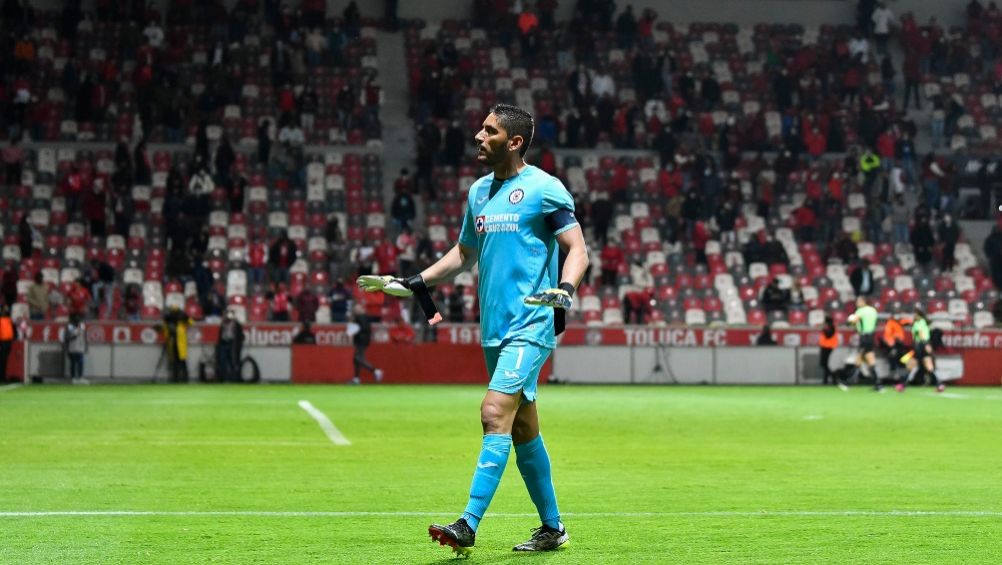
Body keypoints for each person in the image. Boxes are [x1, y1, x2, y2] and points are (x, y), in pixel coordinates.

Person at [359, 104, 588, 555]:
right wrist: (414, 281)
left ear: (515, 142)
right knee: (523, 428)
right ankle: (553, 527)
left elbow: (577, 248)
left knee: (493, 412)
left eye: (490, 131)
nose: (479, 137)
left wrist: (565, 289)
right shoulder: (479, 192)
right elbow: (465, 253)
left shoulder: (545, 188)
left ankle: (468, 523)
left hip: (531, 324)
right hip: (494, 330)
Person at [897, 309, 943, 393]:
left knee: (911, 365)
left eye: (915, 314)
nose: (914, 316)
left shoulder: (919, 323)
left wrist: (925, 344)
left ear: (919, 315)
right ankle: (939, 384)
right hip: (923, 345)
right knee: (928, 367)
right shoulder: (923, 322)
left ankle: (903, 385)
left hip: (920, 346)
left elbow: (921, 334)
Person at [846, 296, 883, 391]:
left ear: (863, 301)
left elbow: (853, 321)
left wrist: (849, 321)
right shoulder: (873, 310)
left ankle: (849, 382)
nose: (856, 303)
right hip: (871, 337)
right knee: (870, 359)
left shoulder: (860, 311)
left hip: (864, 337)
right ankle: (878, 383)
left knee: (859, 358)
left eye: (858, 301)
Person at [348, 303, 382, 384]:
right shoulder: (365, 317)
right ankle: (356, 379)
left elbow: (356, 329)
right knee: (356, 360)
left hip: (361, 341)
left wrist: (353, 333)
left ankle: (375, 371)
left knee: (358, 359)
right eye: (355, 309)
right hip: (364, 341)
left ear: (361, 309)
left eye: (357, 309)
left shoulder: (359, 317)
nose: (356, 311)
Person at [162, 307, 191, 383]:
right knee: (174, 362)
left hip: (181, 344)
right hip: (172, 342)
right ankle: (175, 379)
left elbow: (191, 323)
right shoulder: (169, 321)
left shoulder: (182, 322)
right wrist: (166, 321)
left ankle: (185, 378)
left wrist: (186, 317)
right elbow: (166, 332)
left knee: (182, 361)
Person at [216, 309, 244, 382]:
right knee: (222, 362)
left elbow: (241, 336)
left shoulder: (236, 324)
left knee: (233, 362)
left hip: (232, 344)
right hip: (223, 343)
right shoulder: (223, 324)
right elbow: (220, 335)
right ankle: (222, 378)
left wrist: (238, 344)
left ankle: (234, 378)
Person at [882, 313, 908, 383]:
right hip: (894, 345)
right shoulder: (890, 323)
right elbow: (887, 336)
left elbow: (908, 321)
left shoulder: (900, 322)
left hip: (900, 345)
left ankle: (903, 378)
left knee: (902, 361)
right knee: (893, 362)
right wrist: (892, 346)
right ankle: (894, 379)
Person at [63, 313, 88, 384]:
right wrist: (73, 335)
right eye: (76, 319)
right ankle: (73, 378)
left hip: (80, 348)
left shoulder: (82, 326)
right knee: (73, 363)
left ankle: (80, 377)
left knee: (81, 363)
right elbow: (66, 337)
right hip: (72, 348)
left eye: (79, 319)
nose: (77, 320)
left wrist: (86, 346)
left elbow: (85, 336)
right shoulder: (70, 326)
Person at [818, 315, 839, 385]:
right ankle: (826, 380)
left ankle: (834, 377)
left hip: (828, 346)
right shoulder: (829, 326)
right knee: (825, 364)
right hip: (825, 346)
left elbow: (828, 335)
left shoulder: (831, 326)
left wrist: (823, 329)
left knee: (824, 364)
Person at [0, 305, 15, 382]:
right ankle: (2, 377)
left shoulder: (8, 320)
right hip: (2, 342)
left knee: (4, 360)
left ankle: (3, 376)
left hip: (8, 342)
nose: (6, 311)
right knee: (2, 360)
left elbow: (12, 330)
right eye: (4, 310)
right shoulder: (2, 320)